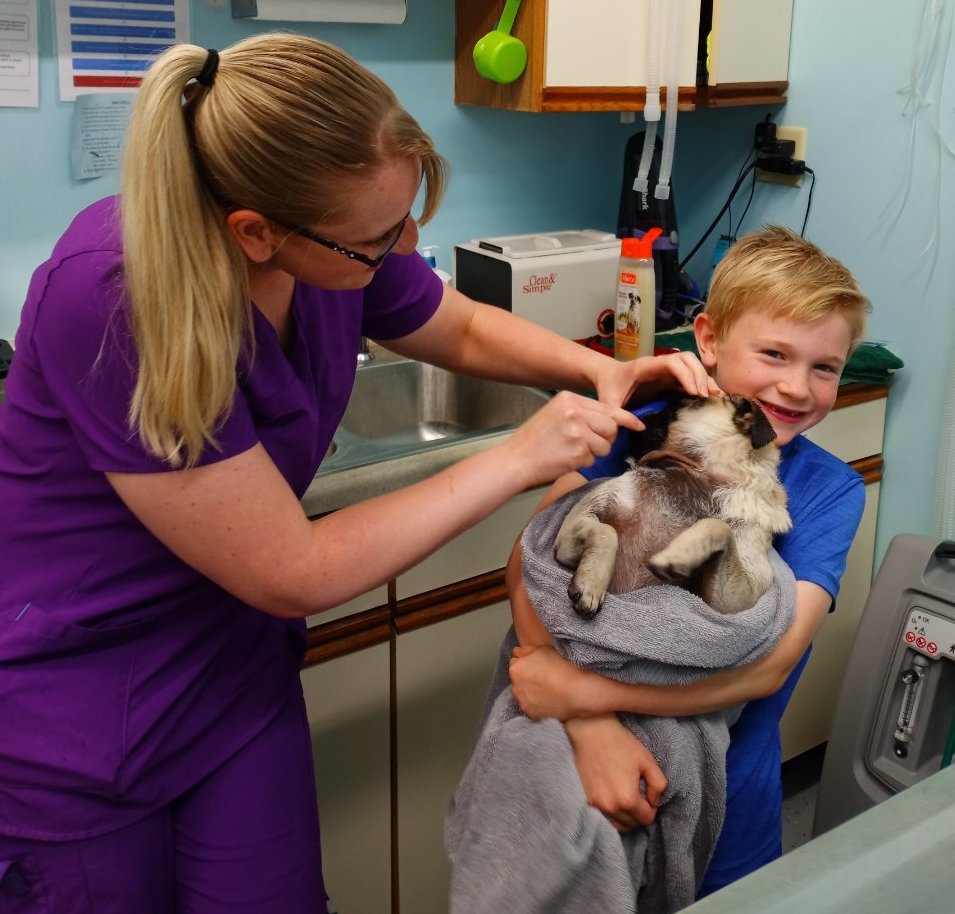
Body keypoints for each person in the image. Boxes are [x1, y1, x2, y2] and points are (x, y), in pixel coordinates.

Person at [0, 33, 702, 914]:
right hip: (80, 708)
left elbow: (463, 328)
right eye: (379, 239)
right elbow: (290, 570)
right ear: (253, 233)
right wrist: (517, 456)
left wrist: (590, 367)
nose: (406, 245)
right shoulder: (112, 296)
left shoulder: (329, 244)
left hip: (230, 675)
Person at [505, 225, 872, 896]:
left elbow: (771, 665)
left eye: (825, 367)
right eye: (773, 354)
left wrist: (588, 695)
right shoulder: (637, 429)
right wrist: (589, 727)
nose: (796, 387)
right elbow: (530, 565)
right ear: (707, 340)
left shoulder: (829, 492)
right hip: (578, 773)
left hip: (727, 799)